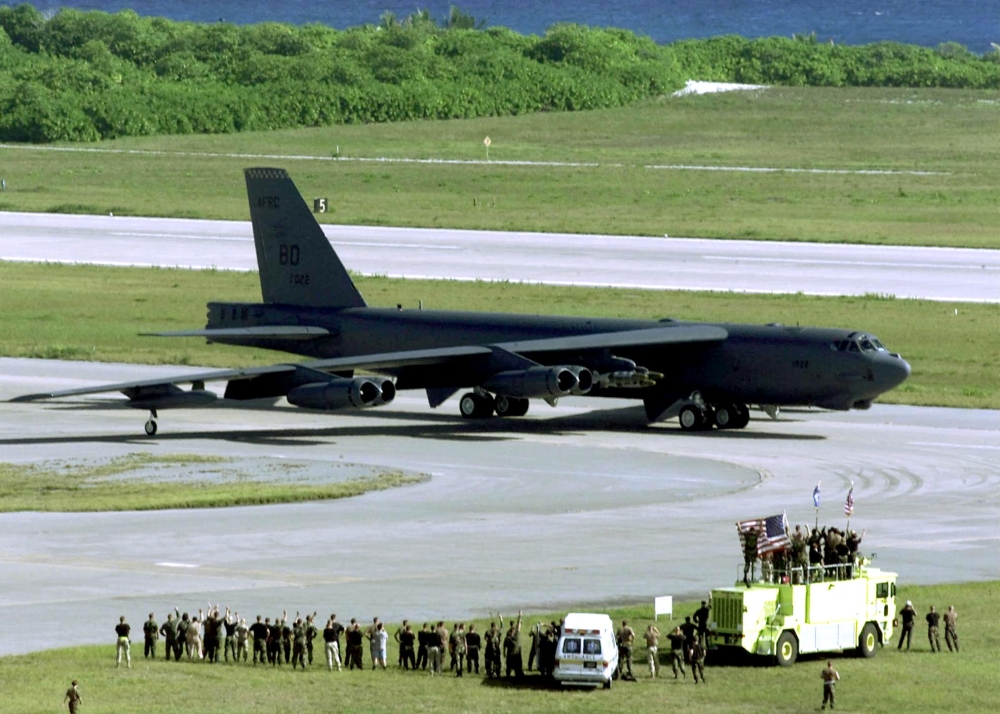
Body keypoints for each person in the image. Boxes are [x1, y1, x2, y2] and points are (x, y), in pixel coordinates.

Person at [503, 611, 523, 679]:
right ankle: (517, 675)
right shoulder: (516, 633)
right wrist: (520, 615)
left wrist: (504, 652)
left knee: (509, 666)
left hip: (511, 653)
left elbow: (505, 644)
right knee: (517, 666)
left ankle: (509, 676)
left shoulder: (508, 634)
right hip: (516, 652)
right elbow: (519, 624)